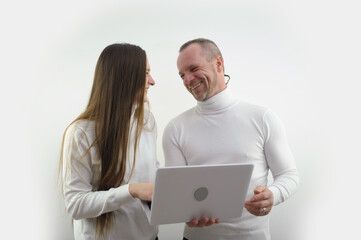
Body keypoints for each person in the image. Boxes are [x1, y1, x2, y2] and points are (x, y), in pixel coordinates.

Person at [162, 38, 299, 240]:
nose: (188, 79)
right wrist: (186, 213)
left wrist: (273, 195)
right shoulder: (175, 128)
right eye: (182, 74)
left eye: (193, 69)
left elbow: (289, 175)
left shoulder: (262, 118)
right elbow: (177, 192)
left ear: (218, 64)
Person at [59, 43, 159, 240]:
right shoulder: (81, 133)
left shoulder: (147, 122)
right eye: (146, 73)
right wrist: (130, 191)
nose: (152, 81)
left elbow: (152, 185)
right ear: (125, 77)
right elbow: (76, 205)